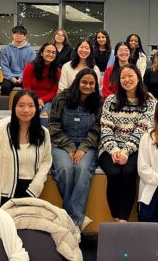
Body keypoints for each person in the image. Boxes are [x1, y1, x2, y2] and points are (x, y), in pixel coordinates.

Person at [98, 64, 156, 222]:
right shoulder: (111, 100)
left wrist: (125, 151)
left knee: (129, 172)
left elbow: (143, 129)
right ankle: (116, 217)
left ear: (138, 77)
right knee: (114, 172)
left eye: (130, 75)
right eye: (123, 77)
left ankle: (123, 219)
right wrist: (114, 149)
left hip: (136, 148)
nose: (127, 80)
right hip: (109, 147)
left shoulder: (149, 100)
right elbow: (106, 128)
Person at [0, 90, 52, 212]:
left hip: (31, 193)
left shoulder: (43, 133)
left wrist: (37, 185)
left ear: (37, 108)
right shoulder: (1, 132)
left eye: (31, 106)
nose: (26, 110)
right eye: (21, 105)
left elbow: (46, 161)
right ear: (14, 107)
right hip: (2, 194)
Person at [49, 68, 102, 230]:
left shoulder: (99, 102)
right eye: (84, 82)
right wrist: (70, 147)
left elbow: (98, 127)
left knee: (82, 169)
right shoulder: (61, 99)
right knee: (65, 169)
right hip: (61, 143)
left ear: (96, 85)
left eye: (91, 83)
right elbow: (53, 126)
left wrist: (83, 148)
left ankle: (71, 221)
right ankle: (76, 219)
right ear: (77, 82)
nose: (87, 86)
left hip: (88, 145)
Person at [22, 42, 61, 127]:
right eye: (48, 51)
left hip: (47, 100)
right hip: (30, 97)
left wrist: (42, 100)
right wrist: (35, 100)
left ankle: (43, 138)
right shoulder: (30, 67)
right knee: (30, 112)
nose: (51, 54)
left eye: (53, 52)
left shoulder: (57, 71)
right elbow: (27, 87)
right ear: (42, 53)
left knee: (44, 115)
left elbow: (54, 92)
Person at [0, 25, 36, 96]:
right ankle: (3, 107)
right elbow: (4, 66)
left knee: (28, 90)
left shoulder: (31, 50)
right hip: (10, 76)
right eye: (16, 33)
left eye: (21, 34)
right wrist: (11, 77)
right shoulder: (6, 50)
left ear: (25, 36)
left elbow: (31, 67)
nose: (18, 35)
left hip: (25, 75)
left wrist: (22, 77)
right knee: (4, 87)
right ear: (12, 35)